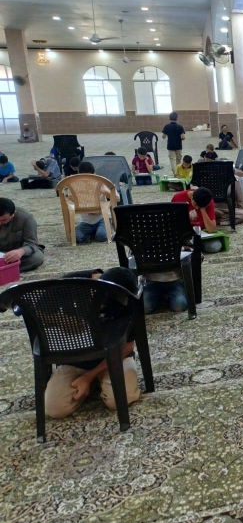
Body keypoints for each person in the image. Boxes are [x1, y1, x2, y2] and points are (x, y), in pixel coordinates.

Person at [43, 267, 142, 419]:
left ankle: (95, 381)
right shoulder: (69, 284)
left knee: (118, 402)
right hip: (75, 359)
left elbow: (127, 347)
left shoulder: (126, 296)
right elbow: (34, 313)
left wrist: (88, 377)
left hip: (113, 357)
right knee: (55, 410)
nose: (101, 307)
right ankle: (93, 385)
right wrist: (61, 320)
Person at [74, 161, 117, 244]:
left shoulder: (101, 182)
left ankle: (103, 229)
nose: (87, 180)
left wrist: (103, 190)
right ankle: (93, 233)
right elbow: (70, 197)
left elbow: (117, 198)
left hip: (101, 219)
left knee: (102, 236)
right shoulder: (76, 185)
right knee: (76, 238)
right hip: (86, 222)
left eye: (90, 177)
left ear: (94, 174)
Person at [171, 187, 221, 253]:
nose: (197, 208)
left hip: (200, 233)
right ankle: (191, 247)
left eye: (200, 206)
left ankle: (189, 248)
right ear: (192, 197)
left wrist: (203, 209)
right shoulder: (178, 198)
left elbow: (211, 229)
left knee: (215, 246)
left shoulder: (208, 201)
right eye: (195, 204)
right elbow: (172, 220)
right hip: (183, 233)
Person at [0, 198, 44, 272]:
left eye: (4, 220)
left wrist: (20, 251)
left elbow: (31, 243)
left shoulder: (26, 218)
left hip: (18, 252)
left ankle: (7, 269)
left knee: (36, 258)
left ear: (13, 214)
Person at [161, 111, 186, 175]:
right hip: (178, 145)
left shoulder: (167, 126)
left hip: (170, 145)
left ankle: (175, 173)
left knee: (172, 160)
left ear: (169, 118)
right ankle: (179, 172)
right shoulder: (180, 127)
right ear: (177, 118)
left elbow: (163, 137)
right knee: (178, 160)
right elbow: (183, 137)